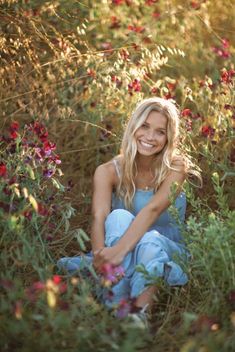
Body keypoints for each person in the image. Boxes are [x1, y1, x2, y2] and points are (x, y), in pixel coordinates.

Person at [57, 97, 201, 325]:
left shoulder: (177, 166)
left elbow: (153, 209)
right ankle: (117, 299)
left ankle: (137, 313)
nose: (150, 137)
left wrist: (118, 252)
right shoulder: (107, 171)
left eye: (160, 131)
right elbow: (99, 216)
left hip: (164, 247)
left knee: (149, 241)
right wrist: (100, 256)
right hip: (121, 247)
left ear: (168, 138)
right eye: (144, 126)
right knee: (118, 216)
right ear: (133, 125)